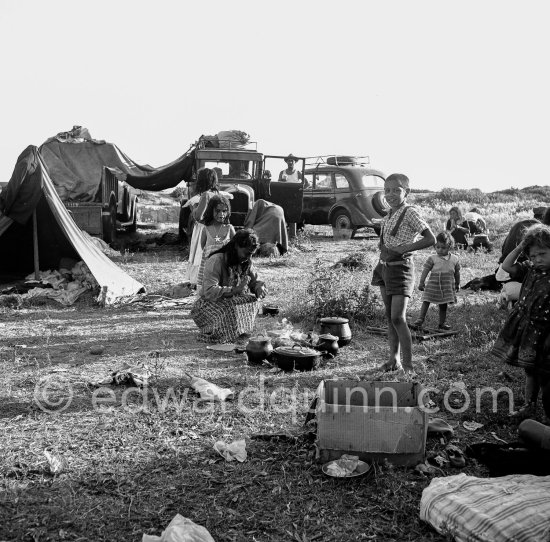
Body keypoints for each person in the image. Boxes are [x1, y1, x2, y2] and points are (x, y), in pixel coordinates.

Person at [371, 173, 435, 374]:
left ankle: (408, 367)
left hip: (401, 269)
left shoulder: (409, 212)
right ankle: (394, 360)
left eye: (396, 190)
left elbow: (430, 238)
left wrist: (408, 247)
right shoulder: (389, 214)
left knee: (399, 318)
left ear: (406, 192)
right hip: (384, 268)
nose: (390, 194)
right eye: (387, 190)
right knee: (390, 317)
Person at [491, 224, 550, 423]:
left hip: (546, 332)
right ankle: (529, 405)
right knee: (530, 370)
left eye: (542, 254)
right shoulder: (530, 269)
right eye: (533, 256)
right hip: (529, 330)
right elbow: (506, 266)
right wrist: (520, 247)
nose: (537, 260)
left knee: (546, 375)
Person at [190, 229, 268, 343]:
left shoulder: (246, 261)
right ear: (236, 246)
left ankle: (239, 331)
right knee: (230, 305)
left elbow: (255, 281)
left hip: (229, 302)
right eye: (246, 253)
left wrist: (259, 288)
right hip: (207, 305)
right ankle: (222, 333)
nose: (248, 257)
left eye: (251, 254)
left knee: (253, 300)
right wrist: (234, 290)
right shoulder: (216, 260)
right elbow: (209, 291)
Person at [414, 231, 460, 330]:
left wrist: (458, 284)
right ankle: (420, 319)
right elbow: (425, 270)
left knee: (443, 305)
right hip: (433, 285)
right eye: (437, 247)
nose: (440, 250)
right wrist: (421, 282)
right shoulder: (432, 258)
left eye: (443, 248)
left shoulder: (455, 259)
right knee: (426, 300)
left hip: (446, 286)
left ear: (449, 247)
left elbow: (457, 273)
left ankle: (442, 323)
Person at [184, 168, 219, 285]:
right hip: (214, 229)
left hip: (202, 230)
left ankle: (198, 281)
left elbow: (199, 216)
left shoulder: (205, 195)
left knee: (199, 254)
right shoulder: (216, 194)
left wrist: (193, 208)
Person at [196, 195, 236, 287]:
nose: (221, 214)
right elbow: (204, 248)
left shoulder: (229, 228)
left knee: (225, 287)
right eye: (218, 211)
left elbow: (235, 246)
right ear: (211, 211)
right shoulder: (206, 229)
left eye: (224, 211)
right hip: (210, 268)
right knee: (211, 288)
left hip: (226, 266)